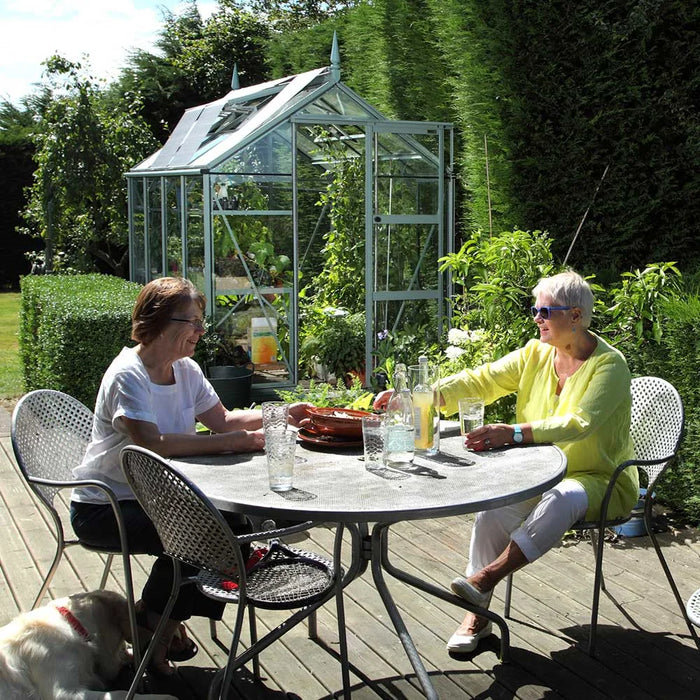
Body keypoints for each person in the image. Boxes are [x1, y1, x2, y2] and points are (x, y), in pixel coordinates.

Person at [374, 270, 638, 653]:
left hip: (600, 478)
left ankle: (484, 580)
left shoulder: (610, 366)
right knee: (491, 514)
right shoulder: (536, 354)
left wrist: (513, 432)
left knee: (561, 499)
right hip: (540, 473)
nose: (536, 318)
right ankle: (476, 619)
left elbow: (579, 423)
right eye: (536, 309)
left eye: (545, 311)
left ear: (576, 316)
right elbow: (484, 380)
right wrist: (426, 396)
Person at [70, 277, 311, 674]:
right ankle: (155, 625)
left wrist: (283, 412)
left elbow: (222, 420)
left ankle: (156, 618)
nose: (201, 330)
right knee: (204, 538)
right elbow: (154, 443)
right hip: (105, 507)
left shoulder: (186, 369)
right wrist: (237, 442)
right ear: (160, 320)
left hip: (158, 500)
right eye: (193, 322)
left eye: (201, 321)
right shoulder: (128, 375)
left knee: (224, 527)